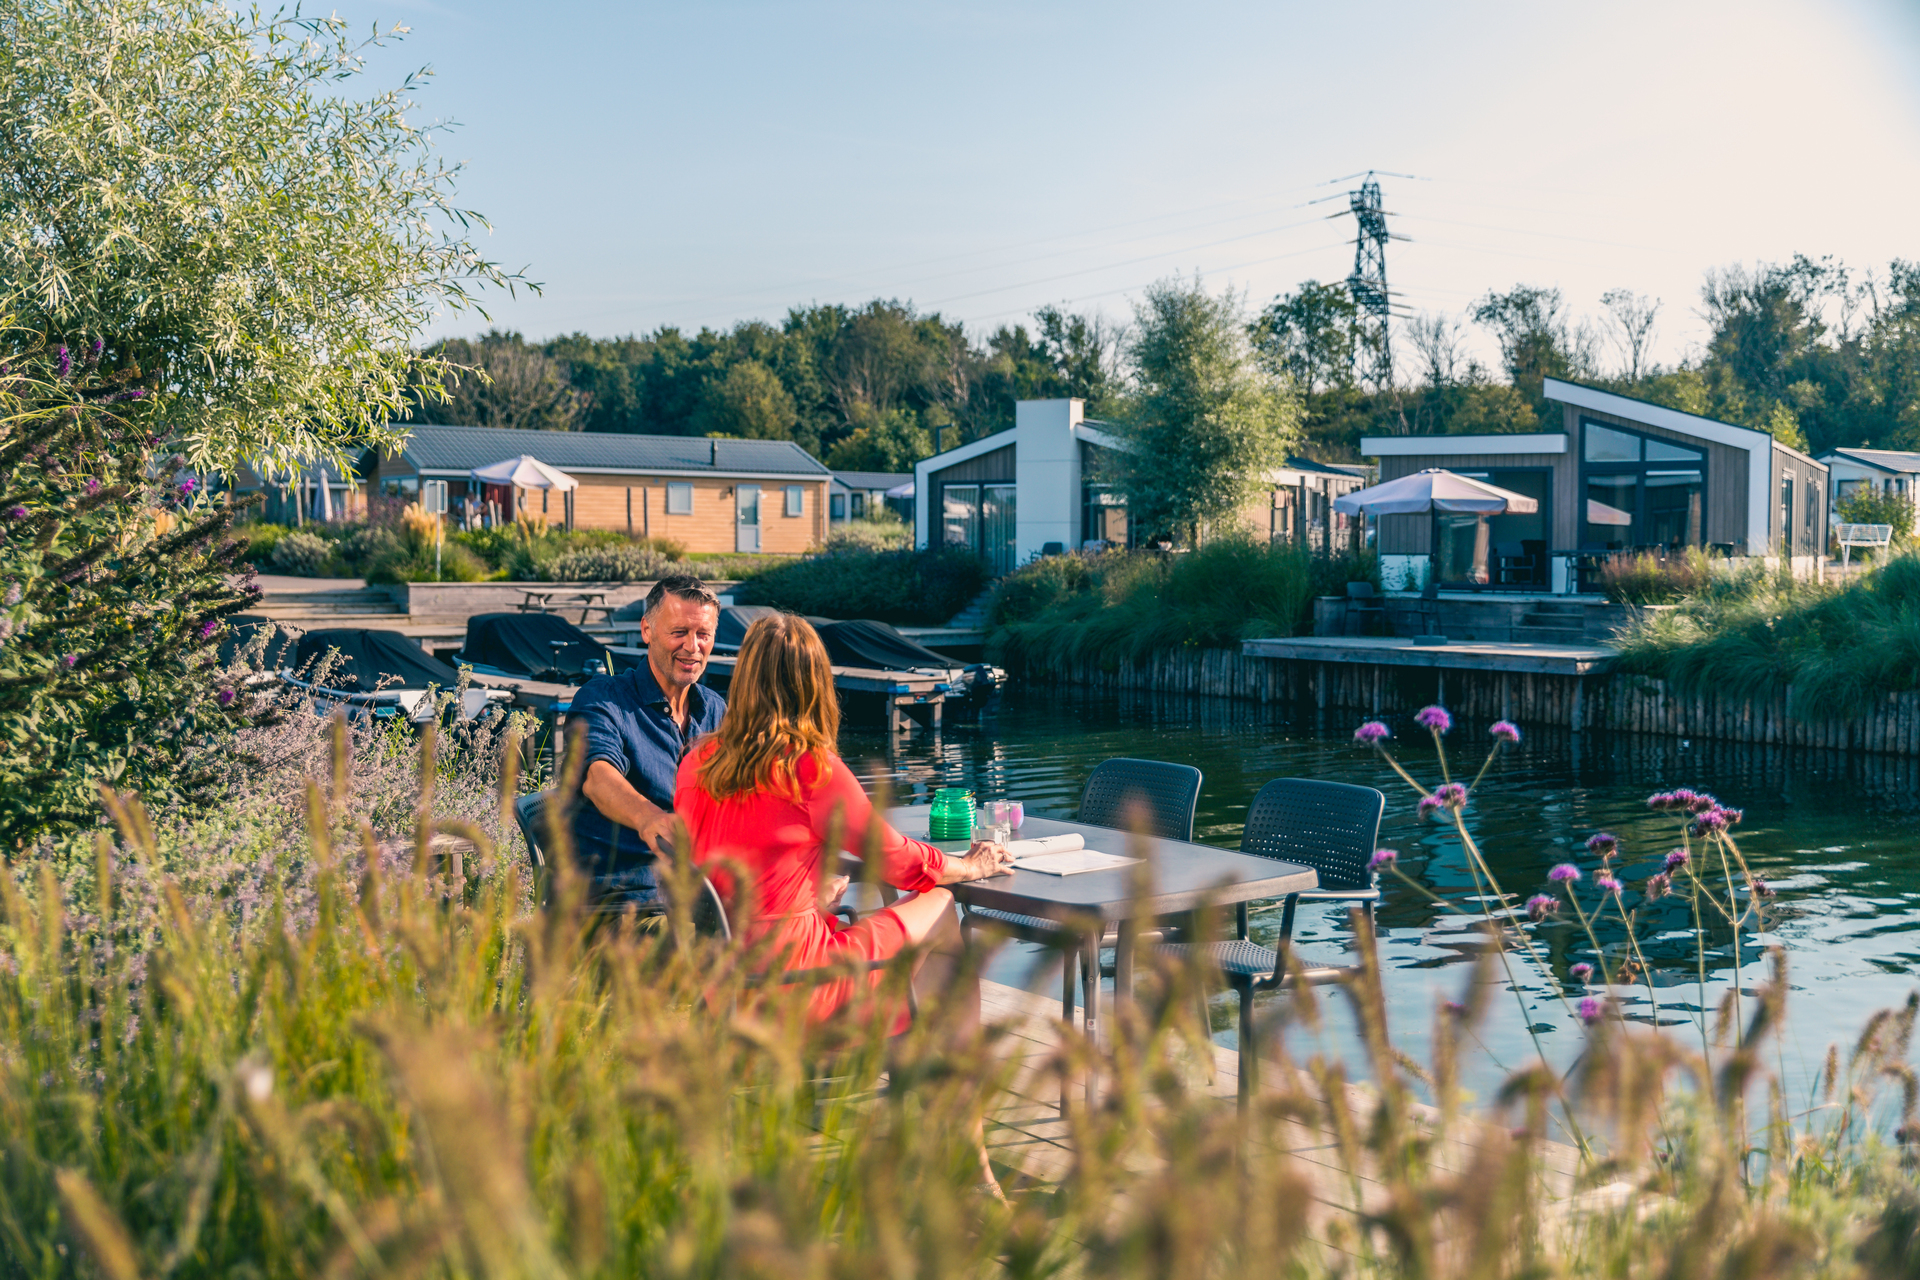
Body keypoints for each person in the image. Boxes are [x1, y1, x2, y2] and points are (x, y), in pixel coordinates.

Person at [672, 612, 1013, 1034]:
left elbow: (725, 867)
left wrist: (805, 896)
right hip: (797, 986)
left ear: (743, 681)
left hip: (727, 985)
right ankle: (945, 1067)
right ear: (815, 685)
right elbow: (898, 861)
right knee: (941, 908)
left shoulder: (696, 763)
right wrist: (969, 865)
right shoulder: (811, 769)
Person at [569, 575, 725, 903]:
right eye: (679, 632)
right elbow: (597, 777)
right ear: (647, 630)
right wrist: (649, 818)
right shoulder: (603, 698)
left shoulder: (715, 708)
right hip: (624, 902)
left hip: (699, 898)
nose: (692, 647)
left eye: (703, 634)